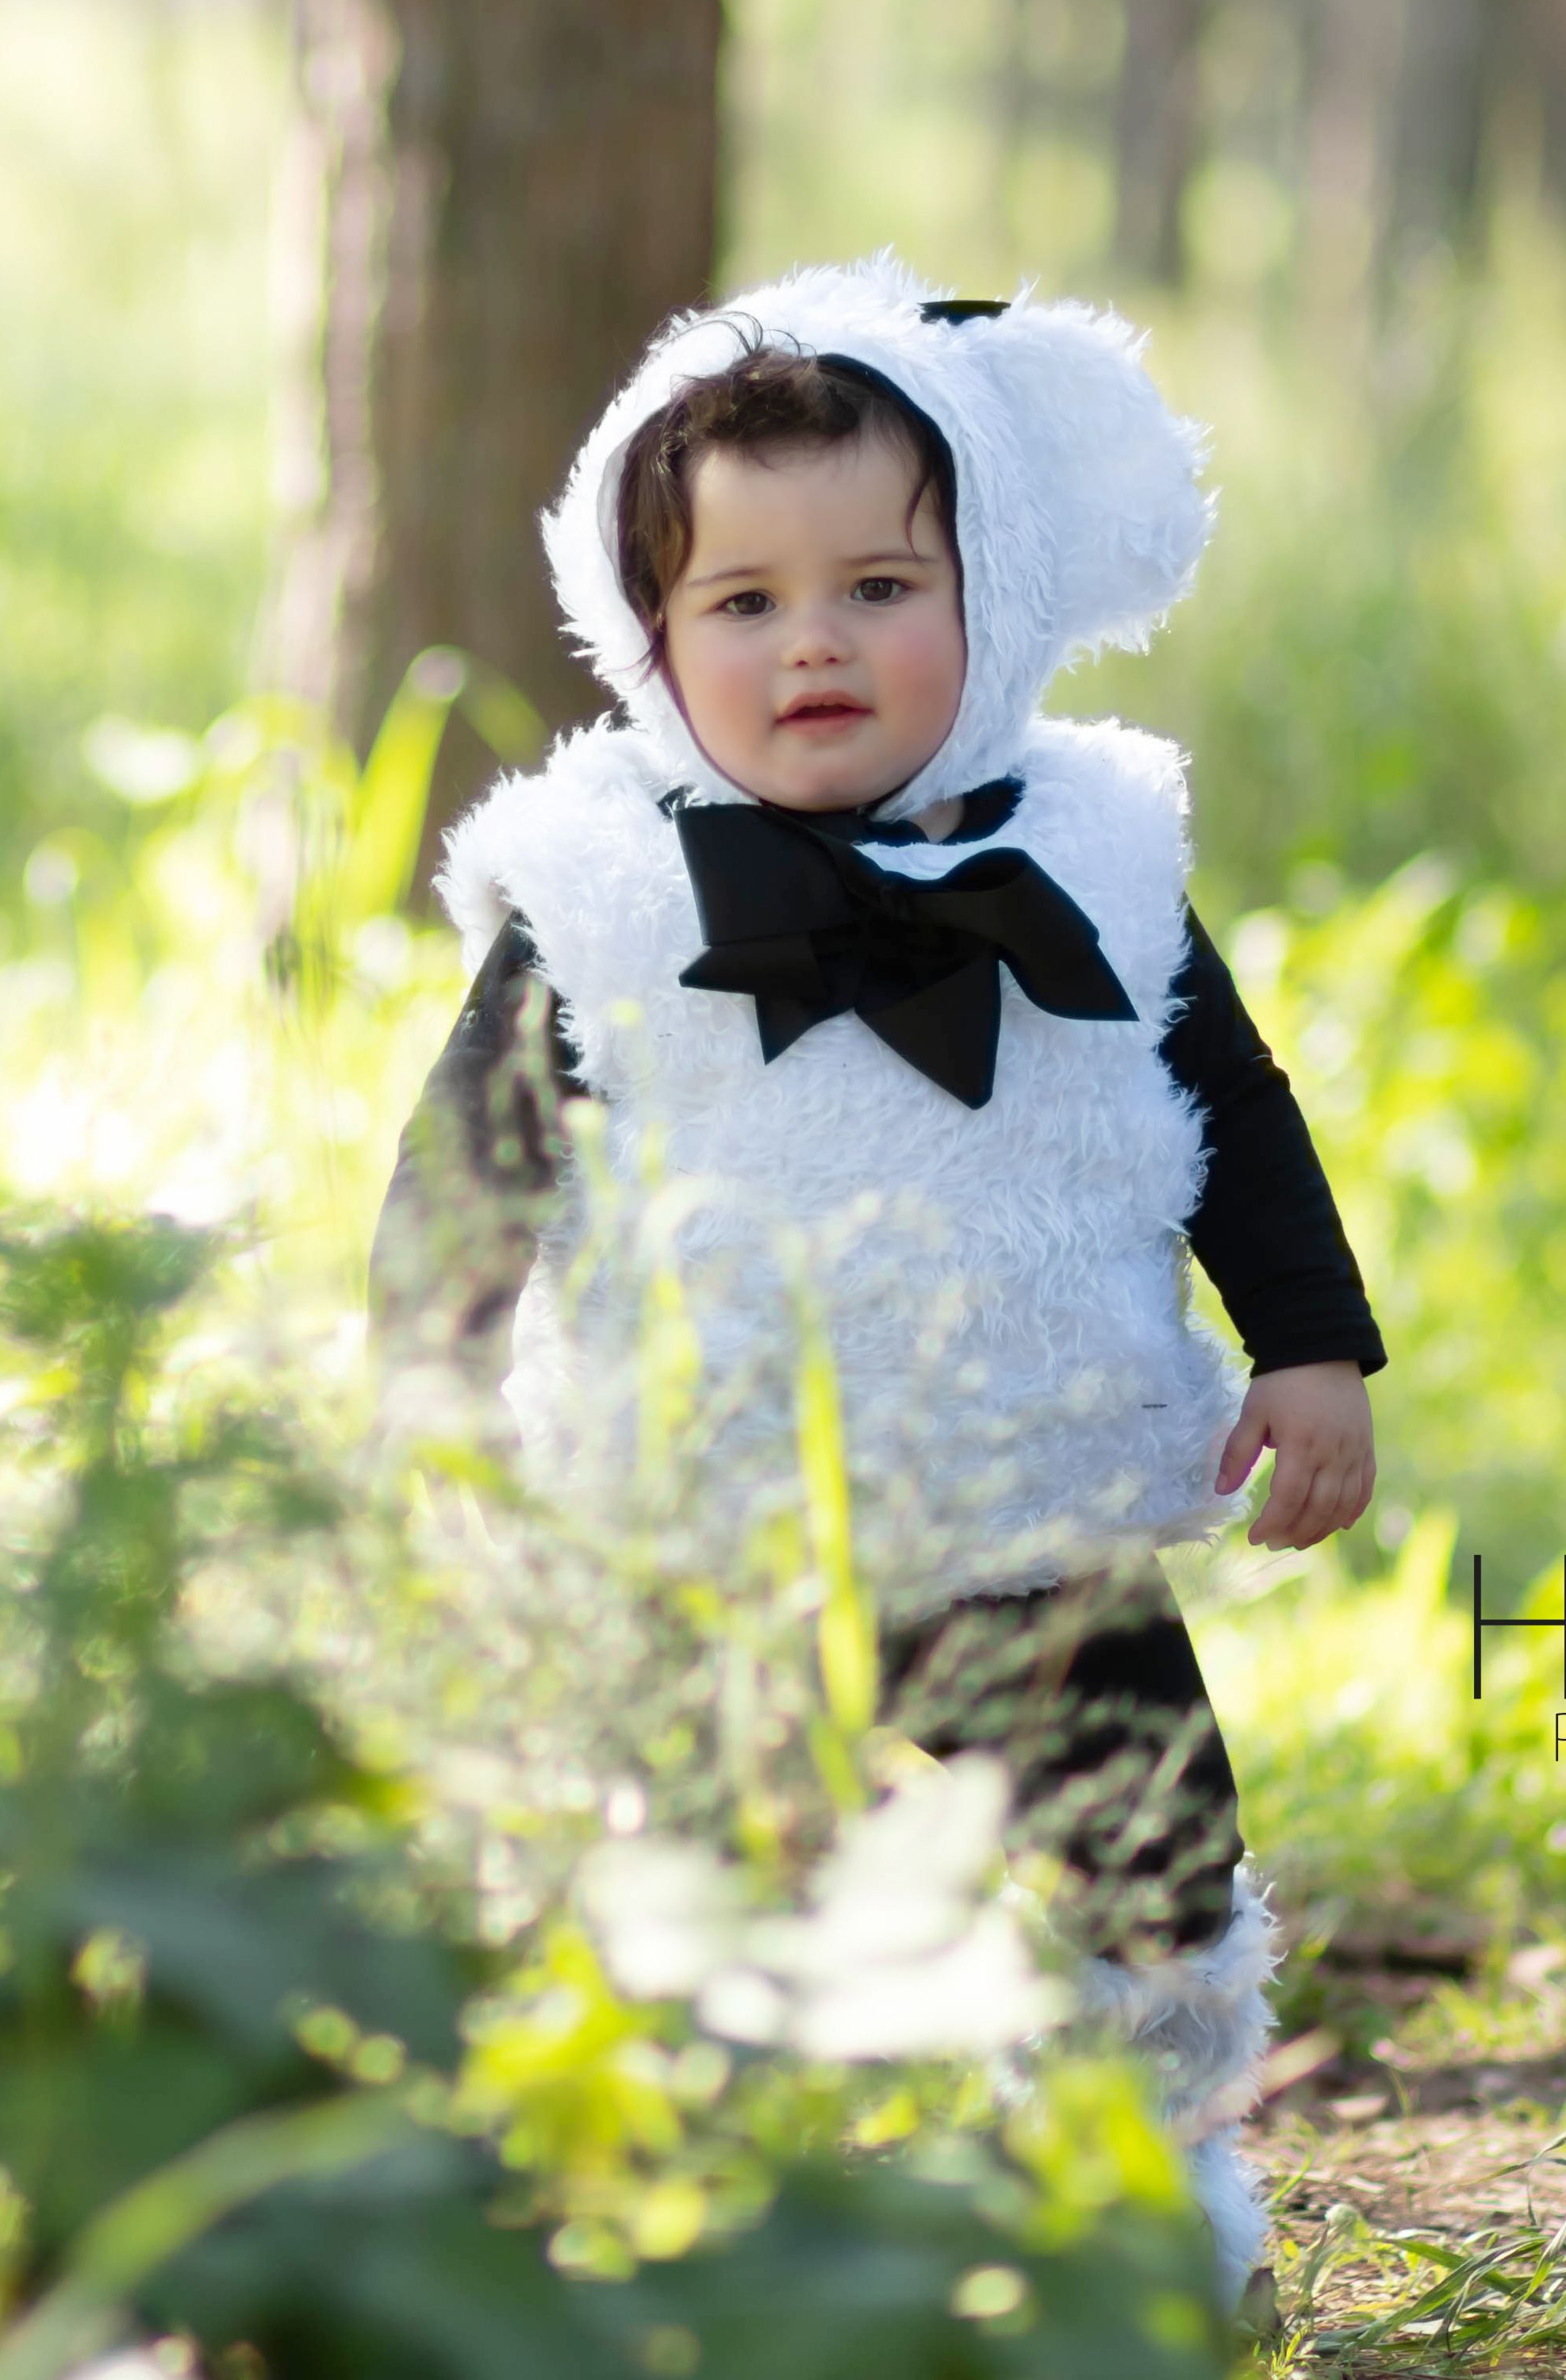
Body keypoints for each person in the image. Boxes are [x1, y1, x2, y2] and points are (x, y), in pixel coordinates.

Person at [368, 256, 1384, 2325]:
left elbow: (1229, 1103)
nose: (811, 641)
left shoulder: (1095, 856)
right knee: (680, 1870)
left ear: (986, 591)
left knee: (1155, 1879)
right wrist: (436, 1393)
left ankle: (1154, 2215)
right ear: (652, 640)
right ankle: (669, 2214)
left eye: (877, 588)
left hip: (1043, 1513)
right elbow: (474, 1161)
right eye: (744, 603)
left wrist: (1309, 1345)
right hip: (711, 1535)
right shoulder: (614, 891)